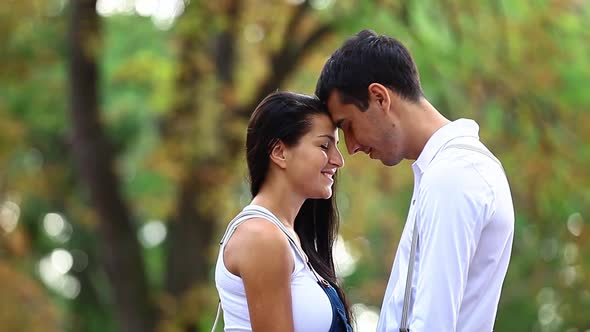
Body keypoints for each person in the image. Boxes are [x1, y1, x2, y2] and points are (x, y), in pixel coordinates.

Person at [315, 30, 514, 331]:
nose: (351, 146)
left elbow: (433, 321)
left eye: (348, 126)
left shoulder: (454, 175)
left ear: (379, 97)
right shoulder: (446, 170)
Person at [214, 91, 354, 332]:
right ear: (279, 152)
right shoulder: (261, 236)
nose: (338, 160)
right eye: (324, 146)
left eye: (337, 147)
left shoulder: (290, 238)